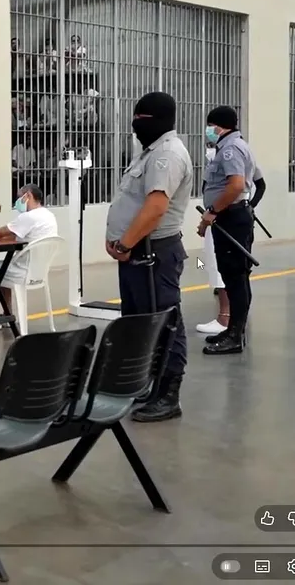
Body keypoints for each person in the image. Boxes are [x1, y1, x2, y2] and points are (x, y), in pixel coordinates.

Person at [104, 92, 192, 423]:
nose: (135, 125)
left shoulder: (166, 154)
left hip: (154, 252)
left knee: (165, 322)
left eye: (141, 120)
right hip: (137, 252)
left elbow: (156, 208)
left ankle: (168, 394)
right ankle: (148, 384)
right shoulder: (151, 152)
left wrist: (124, 244)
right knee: (139, 323)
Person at [197, 107, 256, 355]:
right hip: (230, 216)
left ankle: (234, 336)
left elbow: (235, 185)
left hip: (231, 217)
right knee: (234, 277)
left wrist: (212, 211)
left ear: (219, 126)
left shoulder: (231, 149)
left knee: (235, 278)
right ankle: (234, 330)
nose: (208, 131)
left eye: (211, 126)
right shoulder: (233, 146)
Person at [0, 183, 58, 327]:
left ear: (28, 196)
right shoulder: (48, 216)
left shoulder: (29, 217)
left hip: (21, 272)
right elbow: (15, 236)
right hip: (38, 272)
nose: (17, 202)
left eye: (19, 197)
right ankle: (7, 314)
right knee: (4, 268)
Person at [197, 152, 266, 336]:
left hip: (226, 217)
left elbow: (254, 185)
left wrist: (248, 206)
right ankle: (233, 321)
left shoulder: (232, 154)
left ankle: (225, 317)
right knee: (224, 268)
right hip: (220, 216)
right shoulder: (221, 155)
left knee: (228, 270)